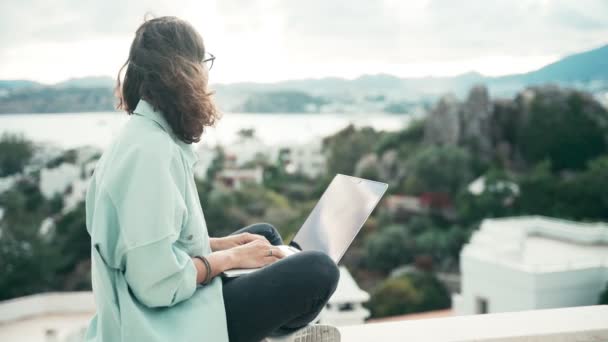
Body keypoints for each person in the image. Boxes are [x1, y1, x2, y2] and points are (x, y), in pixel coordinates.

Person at [83, 15, 341, 342]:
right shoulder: (149, 153)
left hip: (173, 306)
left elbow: (155, 243)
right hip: (159, 324)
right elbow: (156, 285)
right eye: (203, 64)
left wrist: (221, 245)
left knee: (265, 237)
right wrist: (230, 258)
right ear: (185, 72)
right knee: (319, 270)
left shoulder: (147, 136)